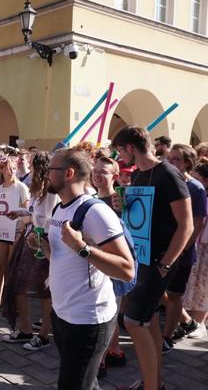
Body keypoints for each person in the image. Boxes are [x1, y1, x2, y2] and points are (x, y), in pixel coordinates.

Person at [41, 148, 135, 390]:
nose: (46, 174)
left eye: (51, 169)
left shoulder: (95, 212)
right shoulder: (59, 209)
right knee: (86, 383)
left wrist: (82, 247)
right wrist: (43, 245)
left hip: (88, 321)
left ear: (68, 173)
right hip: (62, 314)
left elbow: (126, 269)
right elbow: (61, 259)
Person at [111, 126, 193, 390]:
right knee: (147, 323)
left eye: (121, 152)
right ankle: (152, 382)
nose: (120, 158)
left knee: (134, 321)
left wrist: (166, 263)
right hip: (141, 258)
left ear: (130, 148)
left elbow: (187, 225)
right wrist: (123, 206)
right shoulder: (139, 175)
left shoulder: (169, 174)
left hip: (159, 261)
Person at [2, 151, 56, 350]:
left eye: (33, 164)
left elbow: (49, 218)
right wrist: (20, 213)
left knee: (44, 290)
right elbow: (35, 213)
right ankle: (25, 330)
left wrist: (33, 223)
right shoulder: (37, 188)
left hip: (44, 241)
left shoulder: (51, 191)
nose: (30, 167)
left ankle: (44, 335)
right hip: (32, 239)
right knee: (18, 283)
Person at [161, 144, 207, 352]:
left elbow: (197, 224)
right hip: (162, 249)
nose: (170, 163)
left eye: (176, 159)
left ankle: (167, 336)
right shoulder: (165, 182)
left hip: (183, 252)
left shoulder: (195, 188)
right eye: (169, 158)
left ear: (188, 163)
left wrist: (180, 249)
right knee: (159, 291)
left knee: (174, 294)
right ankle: (187, 323)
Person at [92, 157, 128, 377]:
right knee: (108, 311)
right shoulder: (92, 199)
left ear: (115, 176)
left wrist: (124, 211)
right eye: (95, 171)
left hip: (113, 264)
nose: (97, 174)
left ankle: (102, 360)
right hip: (96, 263)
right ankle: (114, 350)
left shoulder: (120, 200)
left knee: (108, 312)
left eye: (103, 172)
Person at [0, 155, 30, 316]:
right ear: (1, 170)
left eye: (13, 168)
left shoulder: (21, 188)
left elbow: (27, 212)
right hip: (1, 232)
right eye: (6, 168)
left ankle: (12, 302)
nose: (9, 171)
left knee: (12, 269)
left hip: (16, 233)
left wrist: (21, 231)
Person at [183, 158, 208, 338]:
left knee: (203, 287)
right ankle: (191, 321)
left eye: (196, 177)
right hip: (198, 245)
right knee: (193, 285)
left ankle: (200, 323)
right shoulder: (199, 195)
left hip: (205, 247)